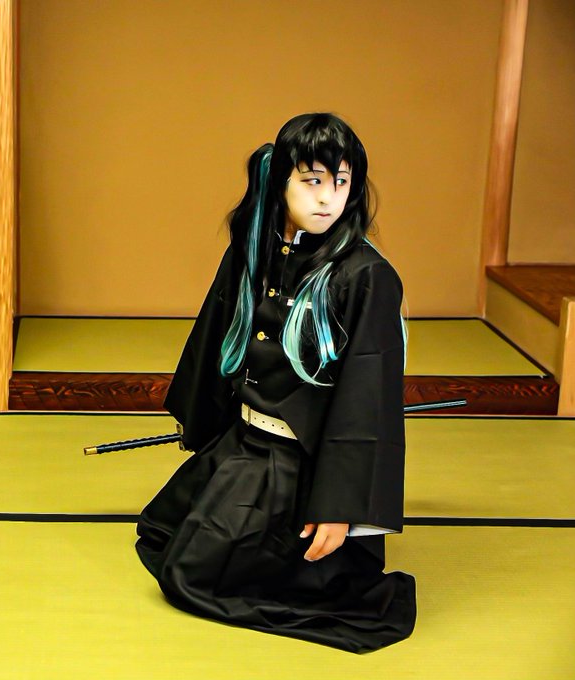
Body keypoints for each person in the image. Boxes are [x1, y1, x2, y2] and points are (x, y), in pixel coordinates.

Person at [136, 112, 416, 653]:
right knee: (160, 532)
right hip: (244, 441)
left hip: (297, 461)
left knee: (190, 577)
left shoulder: (365, 275)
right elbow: (214, 336)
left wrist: (341, 508)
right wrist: (202, 423)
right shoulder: (256, 250)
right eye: (312, 181)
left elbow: (367, 403)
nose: (328, 198)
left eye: (341, 183)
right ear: (280, 180)